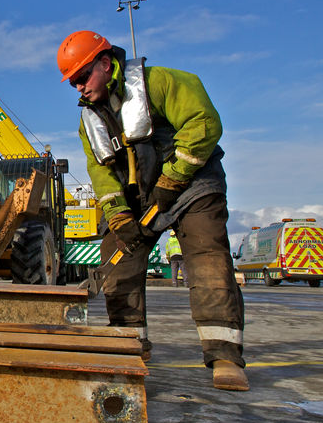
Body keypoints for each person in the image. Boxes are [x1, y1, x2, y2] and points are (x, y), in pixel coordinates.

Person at [57, 30, 248, 391]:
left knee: (208, 259)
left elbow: (204, 123)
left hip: (193, 187)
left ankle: (224, 355)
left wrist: (172, 179)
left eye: (83, 76)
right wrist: (118, 214)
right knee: (118, 258)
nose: (79, 87)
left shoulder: (159, 83)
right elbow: (100, 170)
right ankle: (130, 345)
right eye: (73, 83)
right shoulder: (89, 122)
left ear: (104, 62)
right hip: (140, 199)